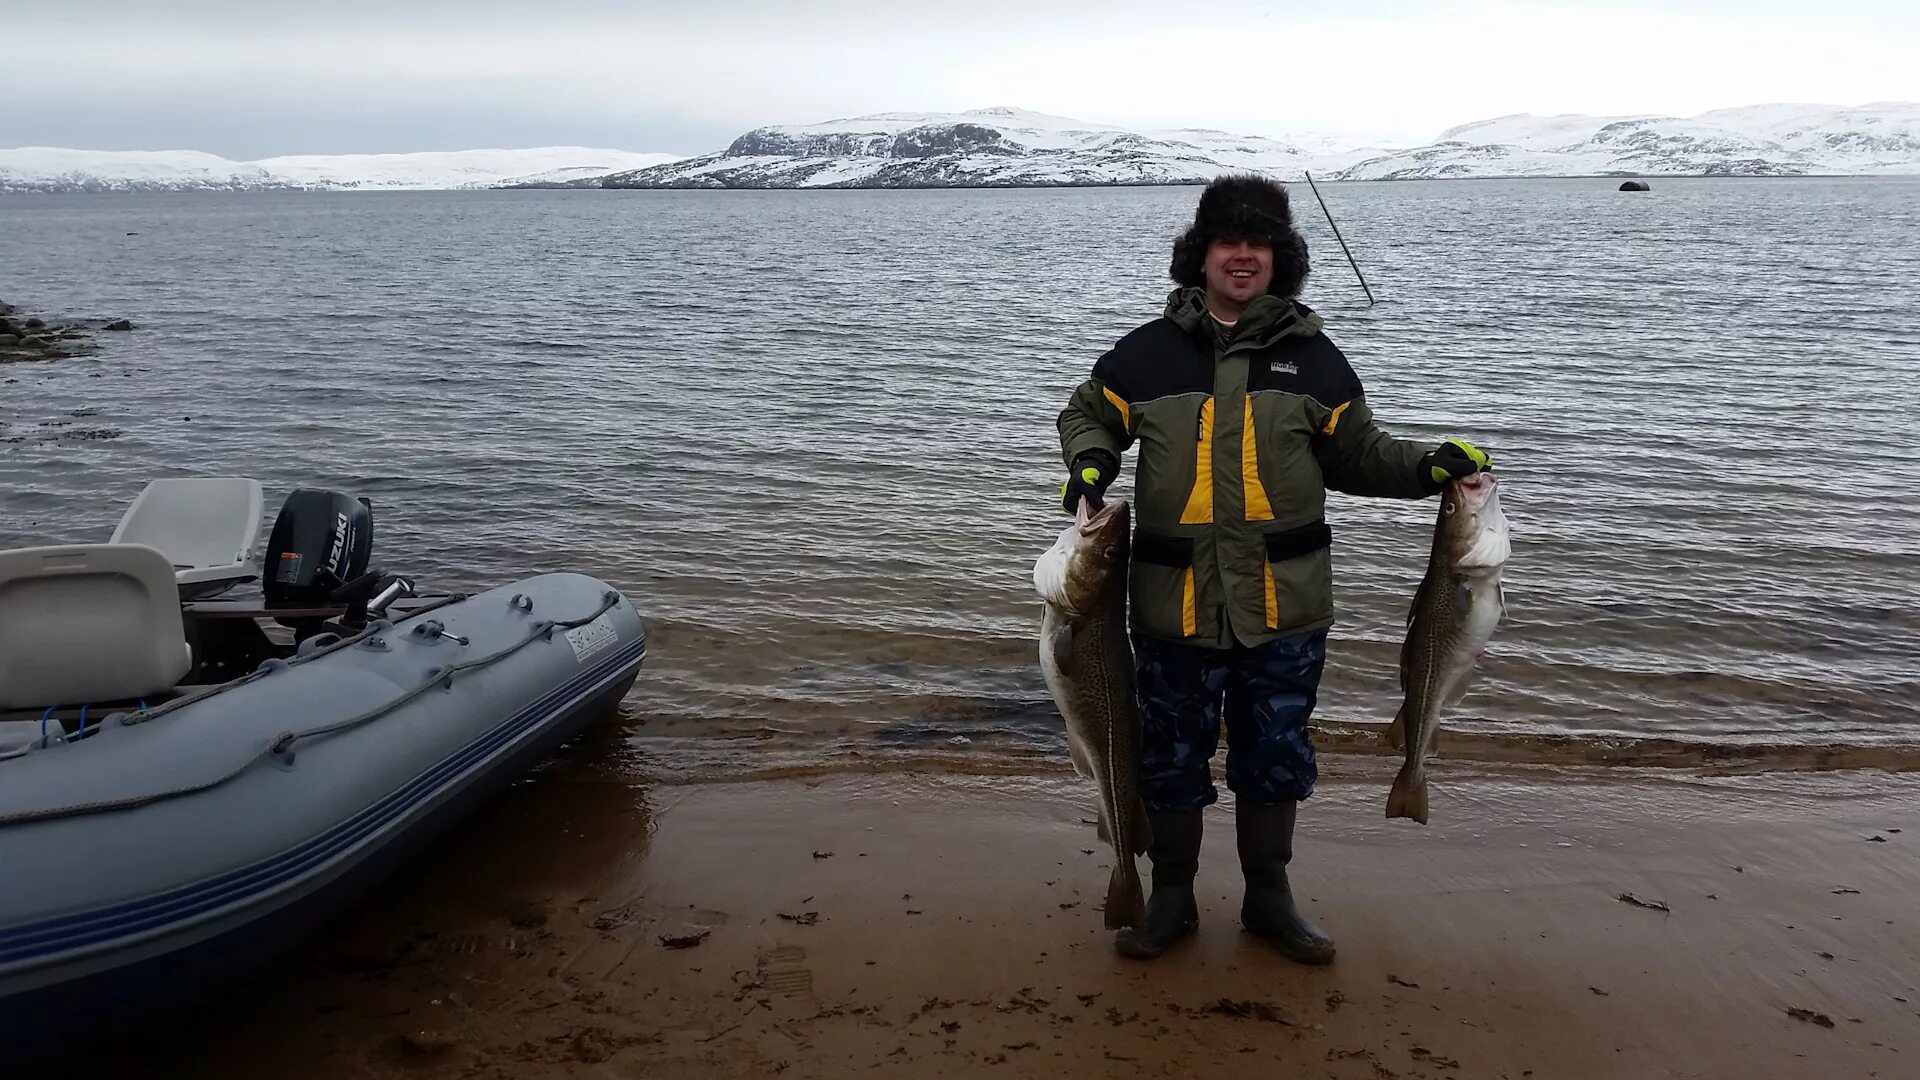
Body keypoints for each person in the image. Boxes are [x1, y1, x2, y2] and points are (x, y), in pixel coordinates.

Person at [1054, 174, 1490, 963]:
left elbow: (1359, 454)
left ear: (1280, 259)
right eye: (1229, 242)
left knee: (1277, 753)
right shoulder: (1148, 353)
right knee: (1168, 755)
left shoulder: (1314, 360)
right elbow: (1089, 415)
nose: (1243, 256)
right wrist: (1089, 466)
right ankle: (1173, 897)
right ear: (1202, 255)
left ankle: (1270, 898)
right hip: (1171, 606)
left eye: (1260, 244)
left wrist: (1432, 466)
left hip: (1283, 606)